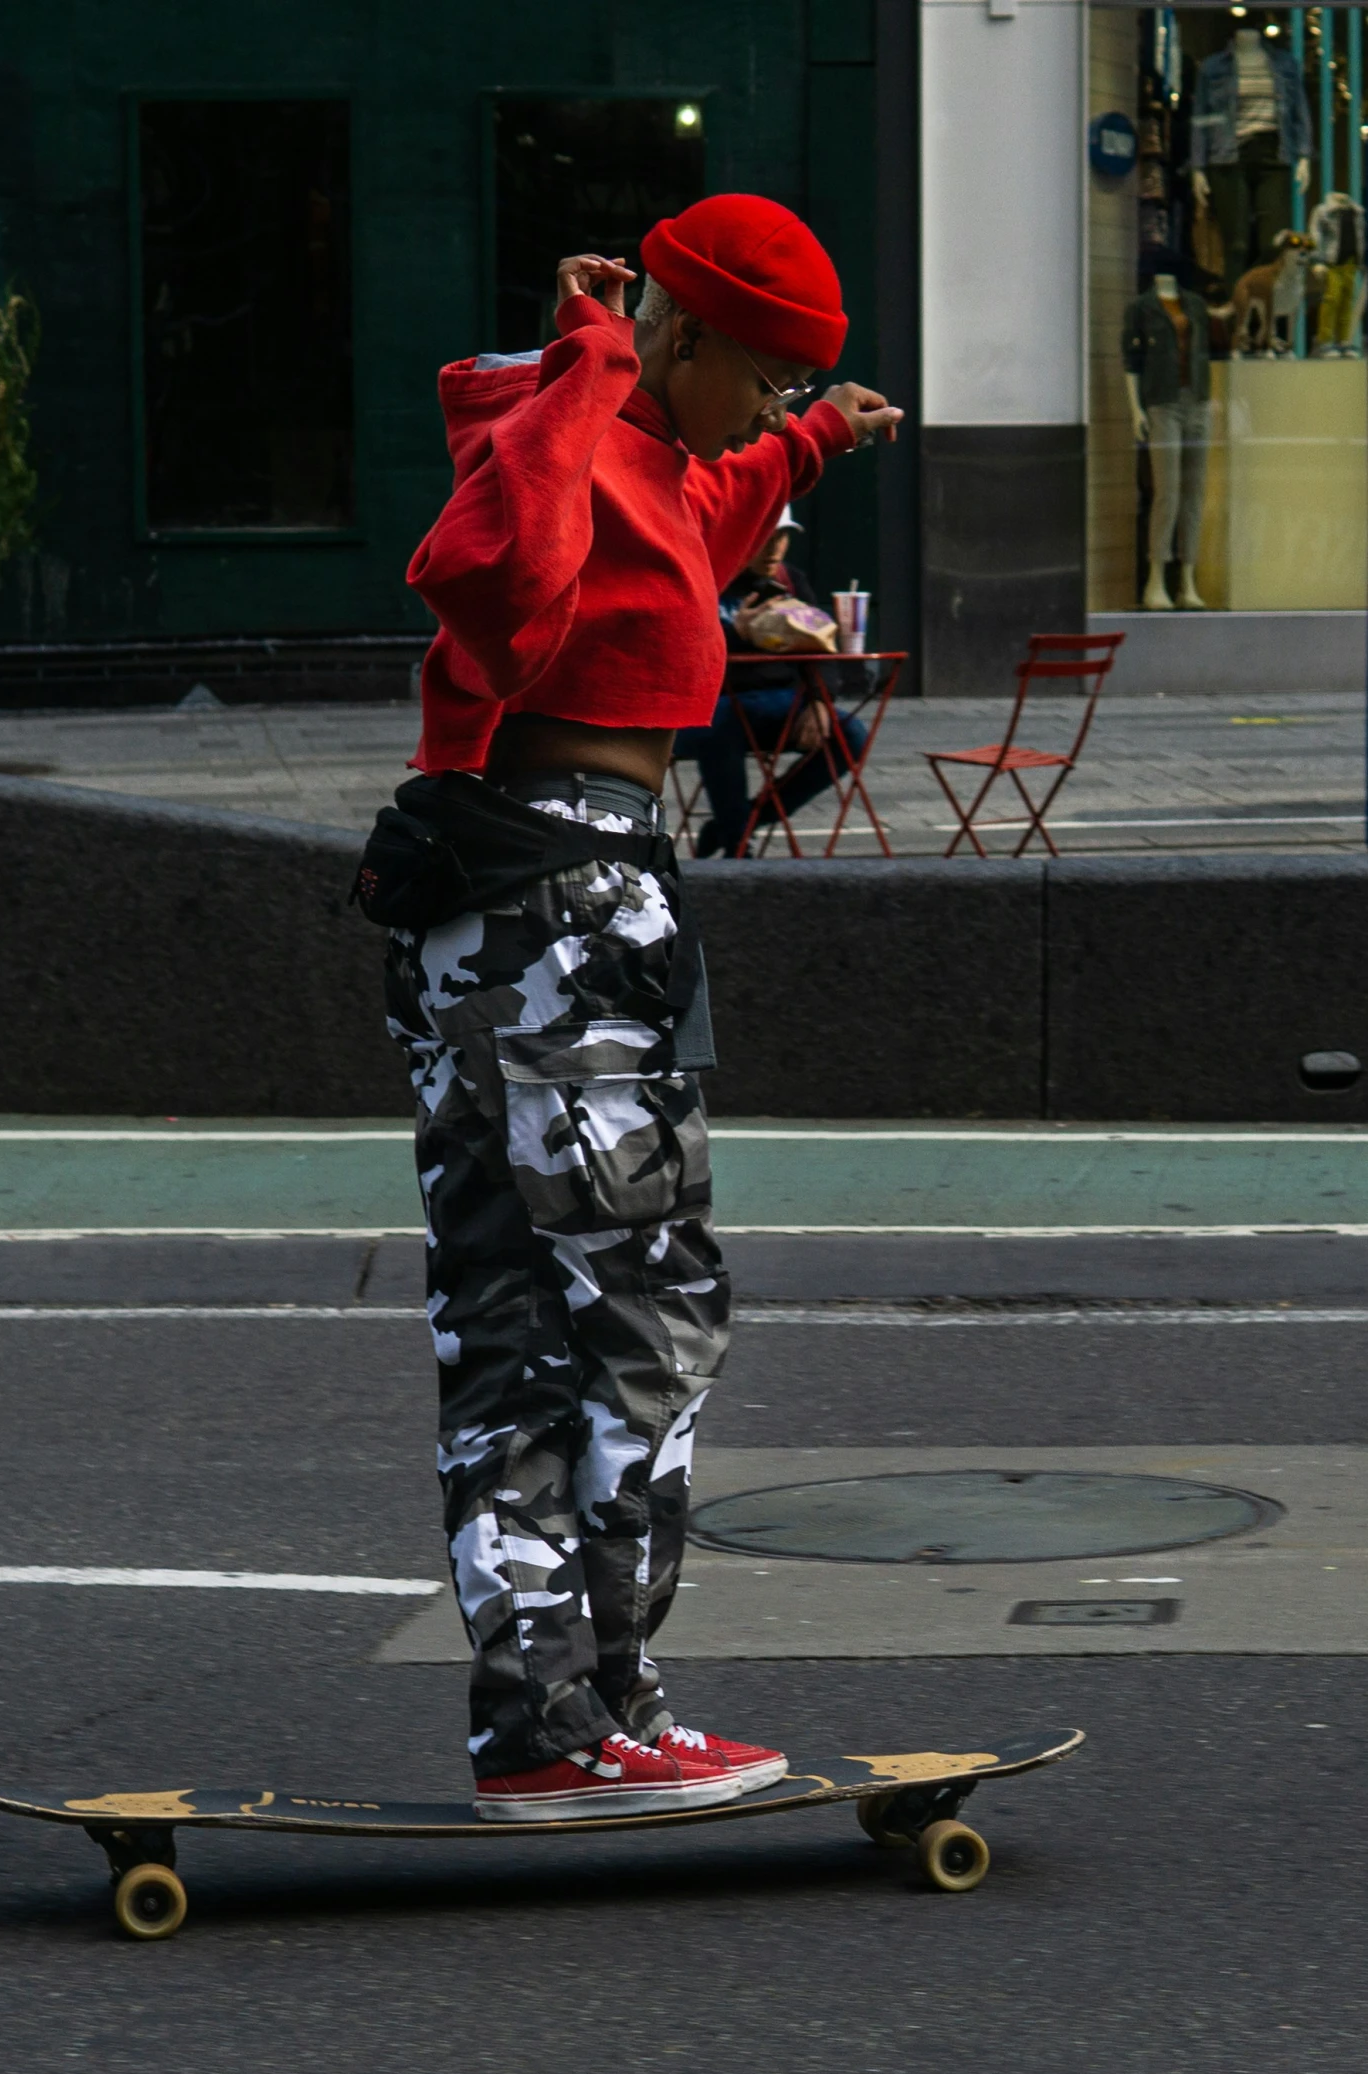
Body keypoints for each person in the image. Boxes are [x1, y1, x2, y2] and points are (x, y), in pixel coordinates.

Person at [379, 194, 900, 1822]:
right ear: (676, 336)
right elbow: (490, 580)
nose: (761, 410)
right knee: (631, 1306)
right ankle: (579, 1705)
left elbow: (699, 515)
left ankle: (569, 1708)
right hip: (550, 903)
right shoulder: (570, 427)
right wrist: (576, 367)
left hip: (562, 906)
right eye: (756, 376)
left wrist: (809, 443)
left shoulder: (653, 458)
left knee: (541, 1319)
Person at [677, 512, 869, 856]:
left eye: (781, 537)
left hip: (781, 703)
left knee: (851, 735)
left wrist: (820, 700)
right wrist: (735, 633)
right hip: (710, 708)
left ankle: (745, 821)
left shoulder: (790, 582)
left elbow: (821, 648)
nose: (773, 548)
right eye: (763, 534)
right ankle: (737, 842)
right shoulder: (706, 576)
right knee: (722, 721)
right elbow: (679, 650)